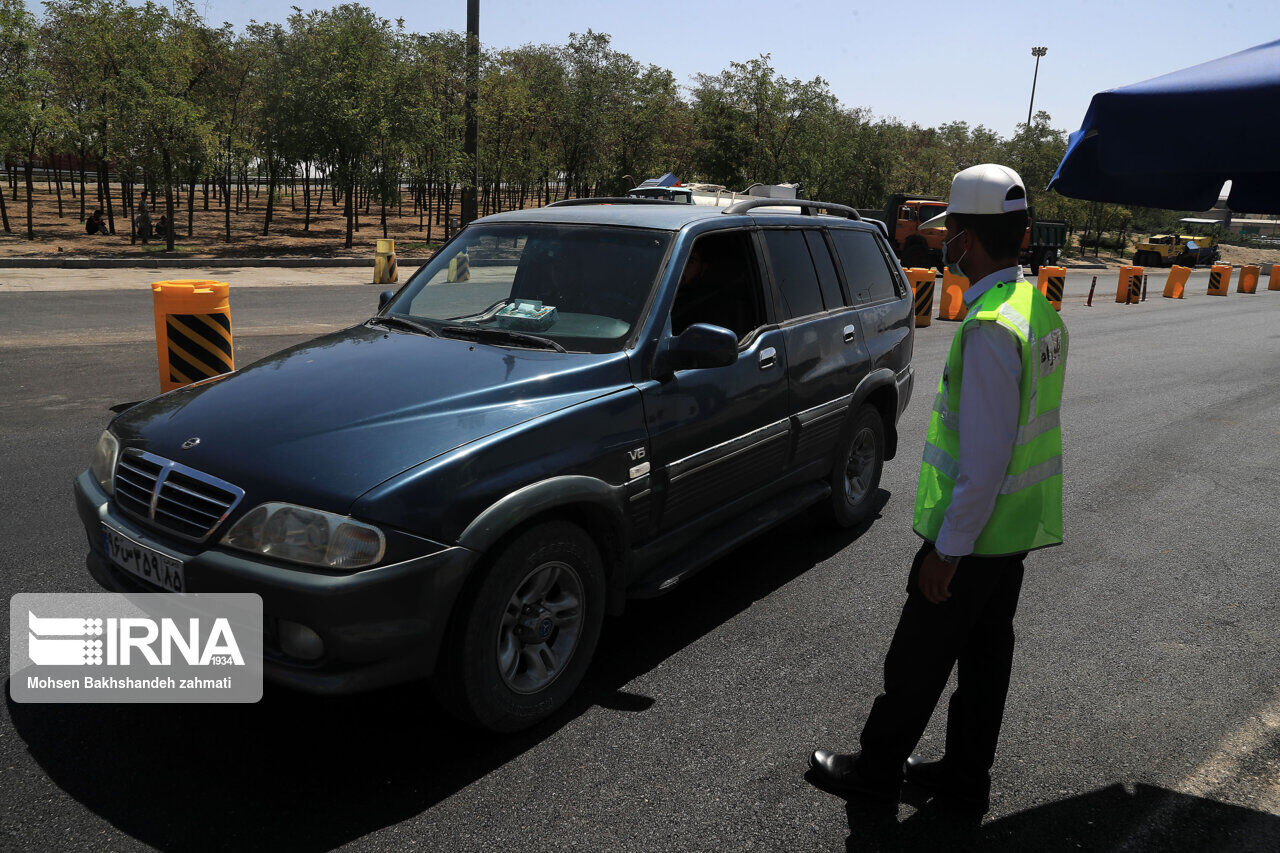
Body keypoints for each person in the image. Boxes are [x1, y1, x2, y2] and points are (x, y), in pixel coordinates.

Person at [807, 164, 1069, 820]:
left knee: (916, 661)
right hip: (1012, 533)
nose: (942, 245)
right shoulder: (1036, 309)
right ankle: (963, 777)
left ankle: (875, 772)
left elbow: (982, 461)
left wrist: (945, 552)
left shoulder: (988, 328)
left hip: (973, 534)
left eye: (949, 232)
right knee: (985, 664)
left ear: (965, 240)